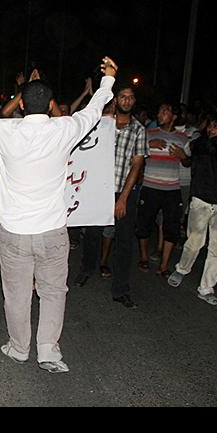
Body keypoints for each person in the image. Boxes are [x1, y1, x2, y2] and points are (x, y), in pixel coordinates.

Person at [0, 55, 118, 373]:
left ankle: (20, 348)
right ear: (51, 106)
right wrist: (107, 81)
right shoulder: (64, 129)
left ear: (20, 103)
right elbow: (92, 112)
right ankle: (48, 350)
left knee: (17, 295)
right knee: (52, 292)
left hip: (15, 234)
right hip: (52, 231)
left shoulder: (6, 133)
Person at [74, 84, 147, 309]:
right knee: (93, 233)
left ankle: (120, 289)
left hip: (123, 191)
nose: (126, 100)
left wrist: (123, 198)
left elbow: (136, 165)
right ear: (115, 100)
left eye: (130, 97)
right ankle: (87, 269)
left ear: (134, 102)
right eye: (122, 97)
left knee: (124, 241)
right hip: (98, 190)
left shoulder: (138, 129)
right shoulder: (102, 123)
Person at [167, 112, 217, 305]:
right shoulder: (201, 144)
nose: (211, 129)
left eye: (216, 127)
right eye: (210, 126)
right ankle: (182, 269)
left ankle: (206, 288)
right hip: (202, 199)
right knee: (195, 241)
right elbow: (209, 147)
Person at [136, 102, 190, 277]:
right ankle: (143, 257)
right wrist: (149, 143)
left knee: (172, 227)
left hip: (172, 189)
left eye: (165, 111)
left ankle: (164, 266)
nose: (161, 114)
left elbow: (189, 162)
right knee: (144, 224)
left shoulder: (183, 138)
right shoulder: (147, 133)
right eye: (159, 111)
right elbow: (133, 153)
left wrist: (184, 157)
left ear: (174, 116)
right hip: (150, 186)